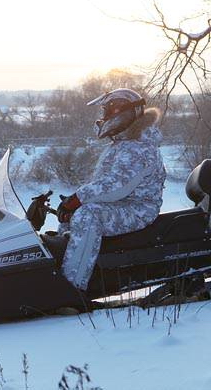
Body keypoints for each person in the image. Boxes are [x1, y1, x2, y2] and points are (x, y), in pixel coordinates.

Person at [56, 88, 166, 292]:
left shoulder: (139, 147)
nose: (103, 118)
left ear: (123, 112)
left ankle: (72, 289)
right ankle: (55, 268)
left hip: (138, 209)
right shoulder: (124, 143)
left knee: (88, 215)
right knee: (73, 217)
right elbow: (104, 183)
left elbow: (117, 186)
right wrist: (72, 204)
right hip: (122, 204)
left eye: (108, 112)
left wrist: (78, 199)